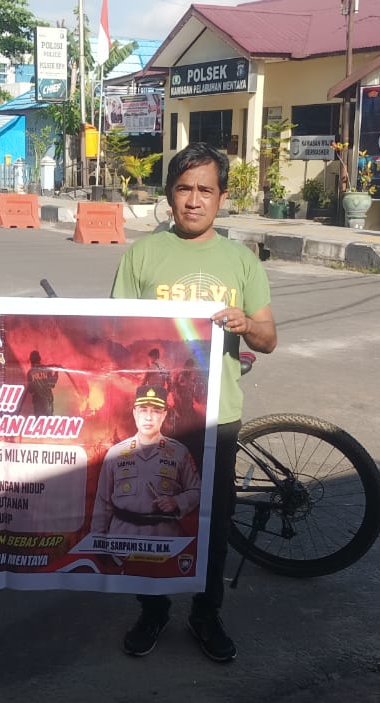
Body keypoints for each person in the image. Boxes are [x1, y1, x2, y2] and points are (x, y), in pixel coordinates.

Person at [110, 141, 277, 663]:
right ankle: (153, 609)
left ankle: (206, 613)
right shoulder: (141, 255)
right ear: (169, 195)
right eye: (184, 188)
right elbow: (116, 333)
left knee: (214, 520)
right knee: (150, 513)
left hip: (217, 418)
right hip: (157, 418)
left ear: (222, 197)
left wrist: (246, 324)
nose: (194, 199)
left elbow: (269, 339)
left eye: (206, 189)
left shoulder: (241, 261)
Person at [91, 385, 201, 538]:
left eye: (155, 411)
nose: (148, 417)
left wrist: (177, 501)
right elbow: (103, 502)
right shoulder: (115, 453)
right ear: (135, 413)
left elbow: (197, 491)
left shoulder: (179, 452)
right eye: (143, 410)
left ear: (164, 415)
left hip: (164, 537)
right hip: (122, 536)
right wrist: (96, 538)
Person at [26, 350, 59, 416]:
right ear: (39, 359)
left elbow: (30, 390)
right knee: (48, 420)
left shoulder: (30, 373)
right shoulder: (46, 369)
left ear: (31, 361)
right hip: (47, 400)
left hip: (37, 402)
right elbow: (52, 384)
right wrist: (56, 373)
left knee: (39, 420)